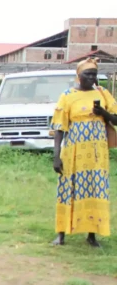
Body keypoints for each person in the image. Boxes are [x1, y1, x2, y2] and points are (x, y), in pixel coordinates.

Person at [52, 58, 117, 247]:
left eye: (94, 74)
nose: (91, 78)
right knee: (67, 189)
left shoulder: (103, 94)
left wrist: (102, 113)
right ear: (78, 76)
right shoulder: (67, 95)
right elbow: (59, 127)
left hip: (97, 154)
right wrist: (56, 156)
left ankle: (92, 235)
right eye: (87, 74)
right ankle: (61, 234)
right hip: (73, 152)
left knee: (95, 188)